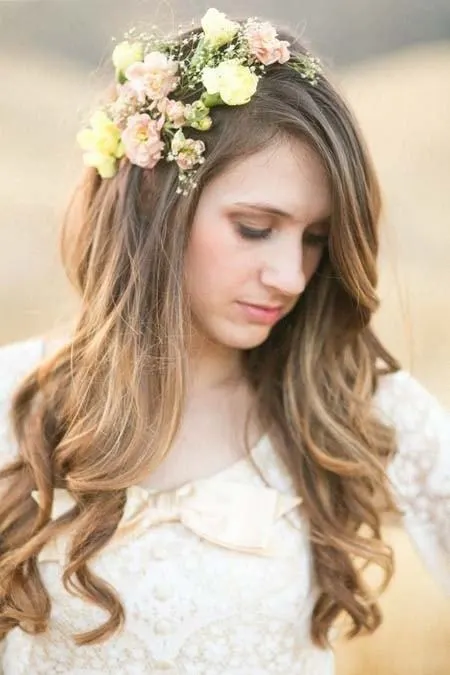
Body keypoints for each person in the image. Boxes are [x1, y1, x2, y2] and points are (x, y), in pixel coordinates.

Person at [0, 8, 448, 674]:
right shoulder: (16, 398)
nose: (291, 275)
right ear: (156, 201)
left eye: (315, 238)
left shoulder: (350, 403)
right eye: (256, 227)